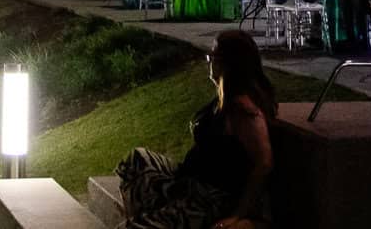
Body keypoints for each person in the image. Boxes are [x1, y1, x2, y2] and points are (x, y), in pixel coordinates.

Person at [116, 29, 274, 229]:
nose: (209, 62)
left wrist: (237, 216)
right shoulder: (223, 99)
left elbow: (264, 162)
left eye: (212, 56)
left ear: (227, 63)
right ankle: (154, 216)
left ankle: (151, 219)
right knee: (136, 160)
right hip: (190, 181)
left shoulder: (243, 109)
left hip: (209, 199)